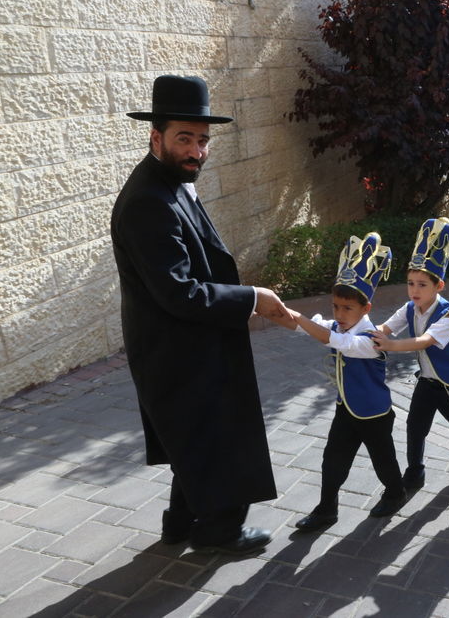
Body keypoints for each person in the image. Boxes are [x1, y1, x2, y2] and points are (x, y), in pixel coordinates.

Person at [111, 74, 288, 554]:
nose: (196, 151)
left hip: (187, 342)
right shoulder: (149, 200)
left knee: (197, 439)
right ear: (156, 137)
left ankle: (178, 524)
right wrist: (253, 297)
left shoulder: (169, 180)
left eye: (203, 140)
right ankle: (219, 532)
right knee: (220, 438)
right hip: (177, 349)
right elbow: (179, 293)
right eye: (184, 138)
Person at [282, 233, 407, 531]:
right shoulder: (339, 325)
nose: (339, 314)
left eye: (347, 308)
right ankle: (327, 510)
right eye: (336, 306)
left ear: (366, 309)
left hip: (374, 414)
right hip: (346, 410)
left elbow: (333, 339)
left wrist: (299, 316)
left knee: (382, 459)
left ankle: (396, 492)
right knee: (333, 461)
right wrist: (271, 309)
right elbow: (307, 327)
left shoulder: (371, 339)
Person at [371, 218, 449, 489]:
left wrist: (388, 345)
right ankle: (416, 470)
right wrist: (363, 334)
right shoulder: (409, 307)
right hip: (427, 380)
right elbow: (384, 326)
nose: (415, 290)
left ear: (439, 286)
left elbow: (423, 341)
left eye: (422, 284)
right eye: (411, 283)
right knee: (415, 426)